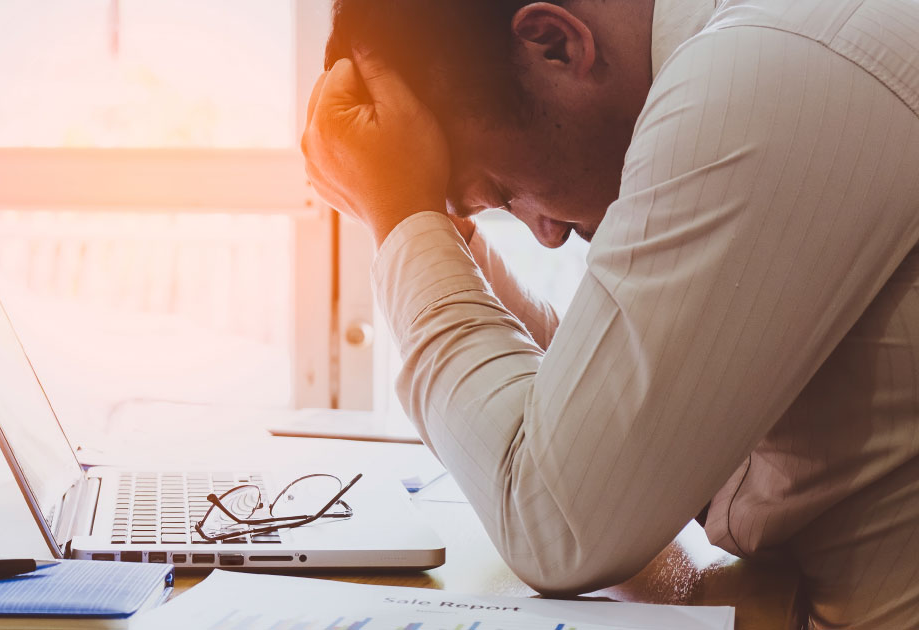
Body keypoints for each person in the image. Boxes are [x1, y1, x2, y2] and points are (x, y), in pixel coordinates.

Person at [301, 0, 919, 627]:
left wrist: (402, 218)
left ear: (554, 43)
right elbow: (617, 425)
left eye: (503, 192)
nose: (544, 233)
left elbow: (557, 524)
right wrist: (427, 225)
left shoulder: (760, 77)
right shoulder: (758, 56)